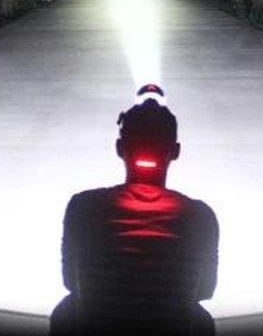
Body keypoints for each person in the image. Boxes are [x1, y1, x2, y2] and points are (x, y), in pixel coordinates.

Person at [50, 85, 219, 336]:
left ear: (119, 148)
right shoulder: (200, 215)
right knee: (201, 319)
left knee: (64, 311)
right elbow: (205, 290)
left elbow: (70, 282)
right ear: (175, 151)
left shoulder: (83, 206)